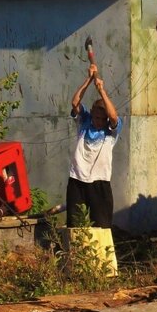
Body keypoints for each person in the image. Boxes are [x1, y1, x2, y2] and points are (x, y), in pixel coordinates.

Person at [67, 63, 121, 228]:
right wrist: (89, 79)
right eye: (95, 118)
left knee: (102, 227)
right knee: (75, 226)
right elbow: (75, 102)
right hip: (77, 180)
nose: (97, 121)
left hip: (100, 182)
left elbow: (113, 115)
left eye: (101, 119)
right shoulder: (84, 121)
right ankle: (76, 254)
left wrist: (102, 91)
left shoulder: (111, 130)